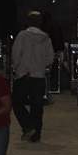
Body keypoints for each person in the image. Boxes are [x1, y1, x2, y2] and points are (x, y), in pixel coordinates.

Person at [11, 10, 54, 142]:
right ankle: (36, 134)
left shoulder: (22, 36)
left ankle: (28, 126)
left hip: (23, 75)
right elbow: (50, 59)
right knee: (37, 106)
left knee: (17, 103)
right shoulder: (46, 38)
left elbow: (16, 54)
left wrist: (17, 67)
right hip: (39, 76)